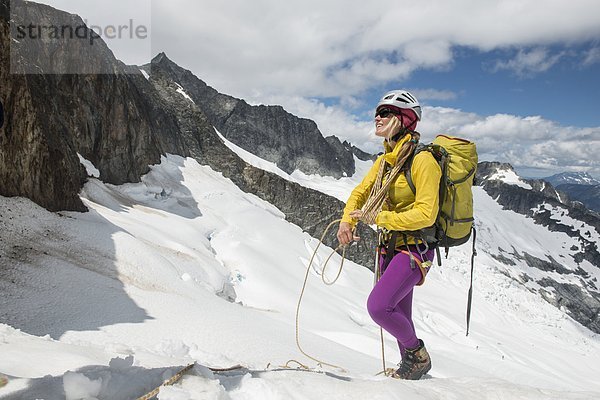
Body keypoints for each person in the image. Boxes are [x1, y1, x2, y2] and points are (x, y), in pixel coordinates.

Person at [337, 90, 441, 380]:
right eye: (378, 112)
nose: (377, 117)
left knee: (380, 307)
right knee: (399, 312)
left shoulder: (423, 162)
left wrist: (378, 217)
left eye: (385, 113)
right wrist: (348, 220)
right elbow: (361, 192)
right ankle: (410, 370)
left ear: (405, 120)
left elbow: (426, 213)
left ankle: (417, 356)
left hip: (415, 249)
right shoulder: (386, 161)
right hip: (391, 247)